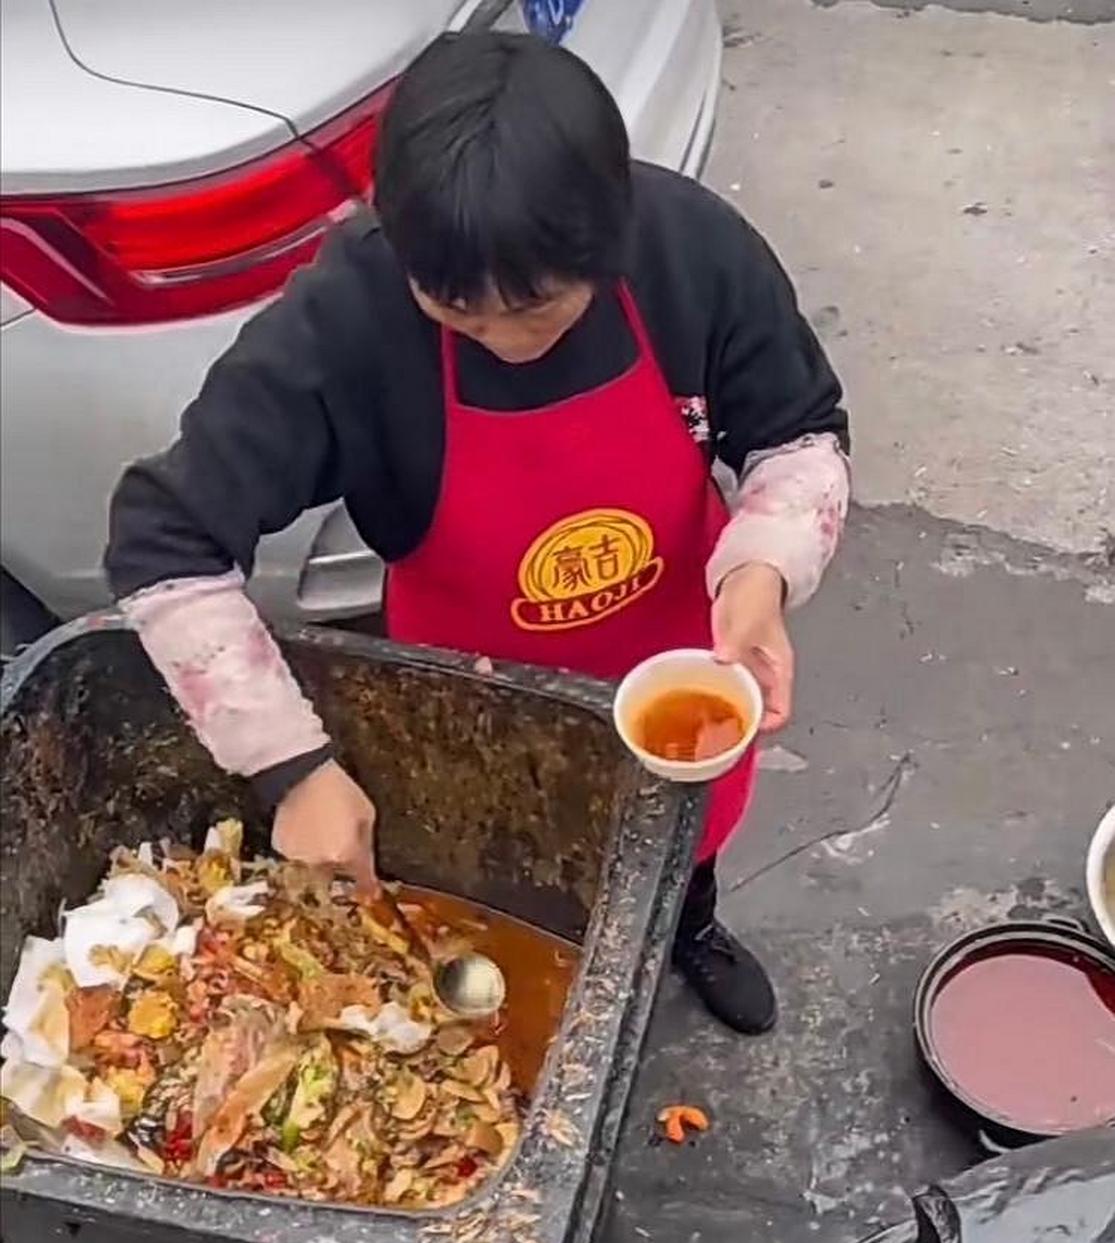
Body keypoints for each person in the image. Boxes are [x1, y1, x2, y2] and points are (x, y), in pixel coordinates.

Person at [105, 32, 849, 1037]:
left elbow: (797, 433)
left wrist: (764, 568)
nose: (502, 336)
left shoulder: (690, 250)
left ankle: (691, 929)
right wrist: (290, 766)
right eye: (455, 308)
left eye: (535, 305)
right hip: (469, 694)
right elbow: (165, 540)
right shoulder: (348, 317)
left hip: (678, 659)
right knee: (500, 894)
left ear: (608, 233)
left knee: (682, 846)